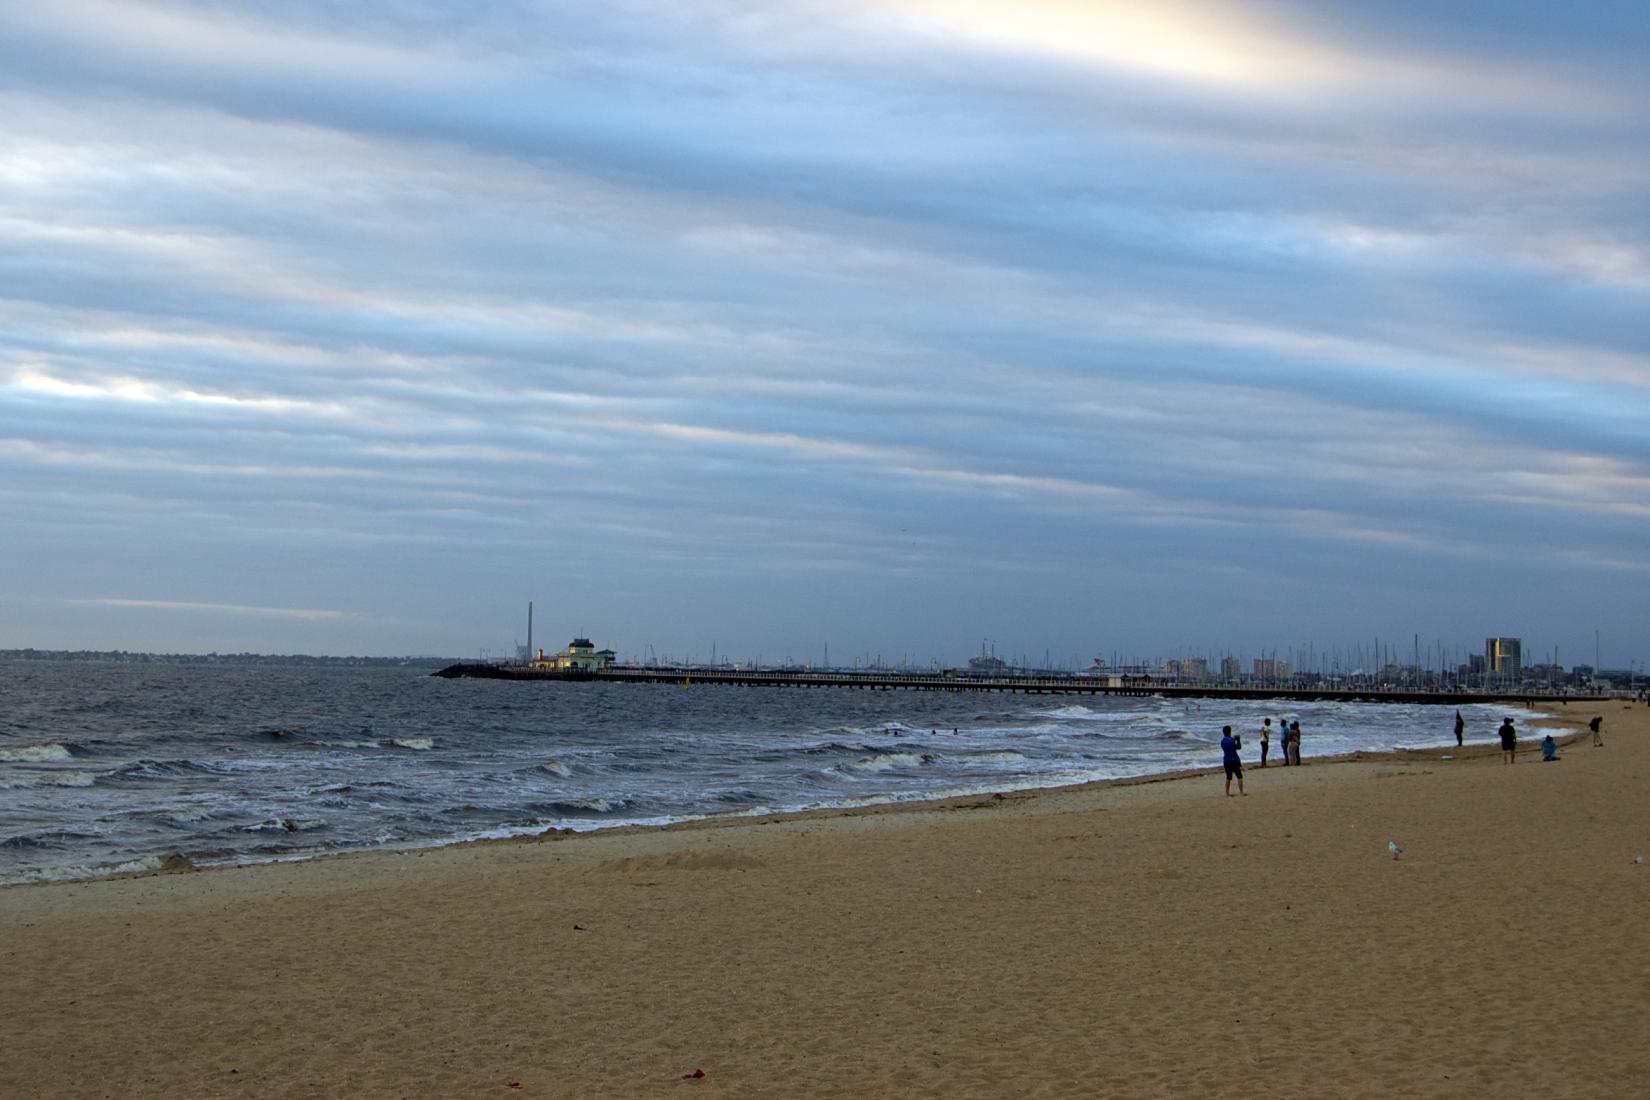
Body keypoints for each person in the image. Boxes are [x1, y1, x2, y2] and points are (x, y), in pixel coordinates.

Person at [1220, 725, 1245, 797]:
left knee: (1228, 777)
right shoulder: (1231, 740)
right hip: (1233, 760)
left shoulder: (1223, 741)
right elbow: (1238, 747)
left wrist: (1233, 739)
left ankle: (1227, 793)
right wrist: (1238, 740)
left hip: (1226, 760)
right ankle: (1241, 792)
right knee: (1239, 776)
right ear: (1229, 732)